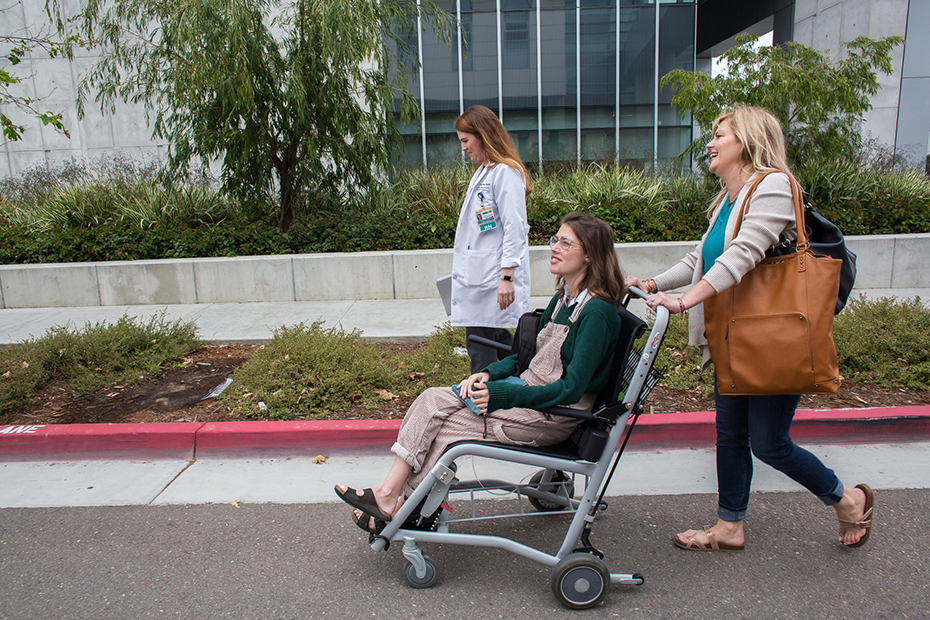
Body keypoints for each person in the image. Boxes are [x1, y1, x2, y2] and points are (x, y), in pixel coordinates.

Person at [625, 106, 873, 551]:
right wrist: (650, 284)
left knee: (770, 444)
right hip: (733, 337)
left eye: (720, 134)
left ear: (748, 140)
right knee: (730, 436)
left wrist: (683, 302)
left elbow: (743, 254)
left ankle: (848, 500)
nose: (711, 142)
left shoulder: (775, 184)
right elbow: (699, 261)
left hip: (773, 336)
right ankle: (729, 526)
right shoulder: (728, 200)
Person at [337, 212, 625, 533]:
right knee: (432, 399)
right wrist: (488, 374)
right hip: (525, 396)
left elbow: (571, 390)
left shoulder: (596, 313)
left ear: (589, 254)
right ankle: (389, 496)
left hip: (552, 414)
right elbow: (520, 358)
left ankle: (400, 504)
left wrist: (502, 394)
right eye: (554, 239)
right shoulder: (564, 299)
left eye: (565, 242)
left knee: (447, 431)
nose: (554, 247)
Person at [451, 105, 532, 374]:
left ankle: (481, 402)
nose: (463, 148)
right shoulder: (485, 171)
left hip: (493, 278)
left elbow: (515, 228)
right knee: (496, 340)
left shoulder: (506, 172)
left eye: (466, 141)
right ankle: (531, 376)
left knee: (480, 346)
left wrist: (507, 277)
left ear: (483, 135)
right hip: (481, 277)